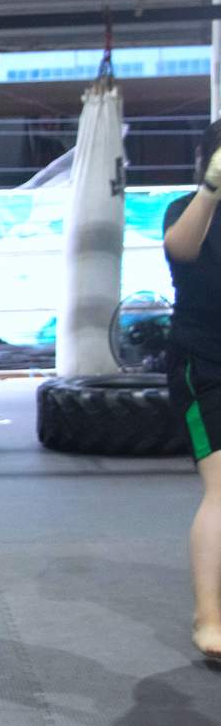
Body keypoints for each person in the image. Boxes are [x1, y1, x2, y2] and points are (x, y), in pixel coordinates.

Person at [163, 119, 221, 659]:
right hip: (204, 362)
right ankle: (209, 619)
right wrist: (212, 186)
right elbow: (180, 251)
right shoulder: (186, 209)